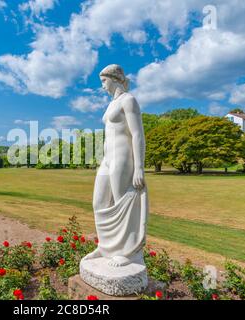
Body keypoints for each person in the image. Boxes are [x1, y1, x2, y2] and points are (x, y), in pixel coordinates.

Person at [82, 64, 149, 268]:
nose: (102, 86)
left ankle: (126, 252)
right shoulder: (112, 104)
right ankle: (105, 246)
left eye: (103, 81)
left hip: (123, 157)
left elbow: (137, 134)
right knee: (99, 203)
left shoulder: (129, 100)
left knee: (122, 204)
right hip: (107, 159)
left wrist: (139, 167)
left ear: (115, 79)